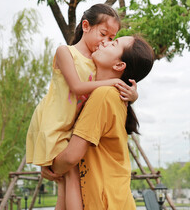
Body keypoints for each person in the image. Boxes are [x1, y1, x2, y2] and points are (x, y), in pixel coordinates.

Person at [26, 4, 138, 210]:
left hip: (72, 122)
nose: (106, 42)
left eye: (111, 39)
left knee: (68, 179)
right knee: (69, 174)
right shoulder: (65, 52)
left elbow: (114, 76)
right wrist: (111, 83)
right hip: (56, 121)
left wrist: (132, 95)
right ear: (86, 26)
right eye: (103, 34)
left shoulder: (98, 62)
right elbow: (78, 87)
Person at [42, 35, 155, 209]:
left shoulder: (104, 96)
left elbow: (71, 157)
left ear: (119, 65)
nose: (104, 41)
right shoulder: (105, 94)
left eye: (114, 42)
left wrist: (50, 165)